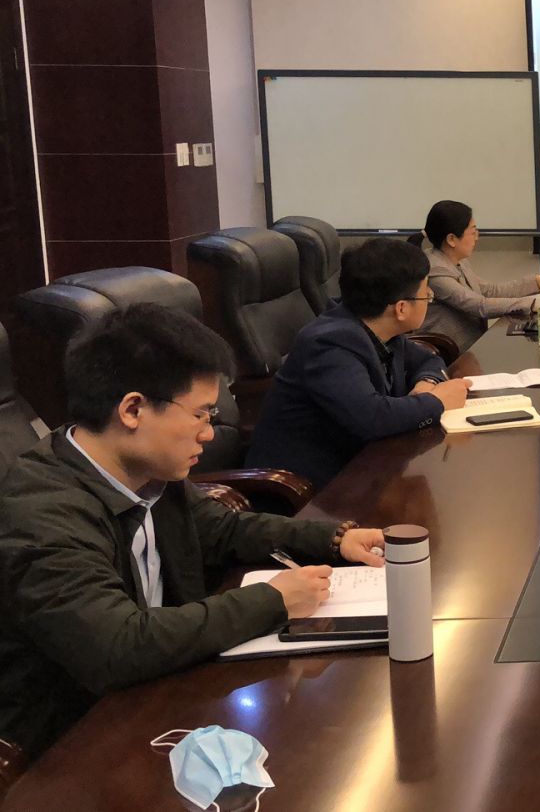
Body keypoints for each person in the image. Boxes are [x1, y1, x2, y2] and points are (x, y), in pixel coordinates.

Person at [0, 304, 388, 758]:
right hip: (69, 742)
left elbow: (223, 529)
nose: (209, 433)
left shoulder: (147, 471)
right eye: (201, 415)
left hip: (160, 691)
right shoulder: (42, 512)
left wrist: (332, 539)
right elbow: (116, 645)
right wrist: (273, 600)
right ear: (132, 409)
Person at [247, 237, 470, 489]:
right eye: (426, 294)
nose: (429, 298)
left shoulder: (382, 329)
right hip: (308, 489)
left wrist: (426, 383)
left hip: (364, 468)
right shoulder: (330, 344)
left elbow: (429, 359)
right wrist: (436, 401)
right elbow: (372, 418)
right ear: (401, 308)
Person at [411, 199, 540, 349]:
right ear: (451, 239)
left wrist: (534, 282)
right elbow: (479, 305)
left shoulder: (459, 262)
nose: (477, 237)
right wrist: (532, 303)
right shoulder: (435, 271)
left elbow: (490, 291)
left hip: (473, 347)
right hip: (451, 355)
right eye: (473, 232)